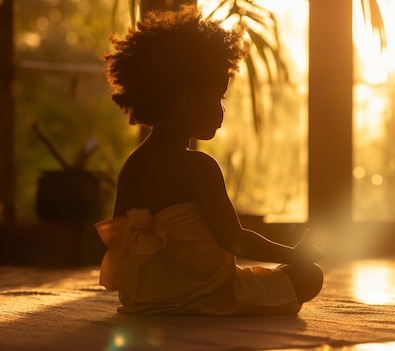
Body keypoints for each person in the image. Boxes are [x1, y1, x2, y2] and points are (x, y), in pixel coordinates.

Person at [95, 5, 324, 316]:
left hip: (147, 299)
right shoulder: (199, 168)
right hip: (209, 293)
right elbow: (235, 241)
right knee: (309, 276)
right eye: (219, 97)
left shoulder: (131, 169)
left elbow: (119, 241)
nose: (222, 110)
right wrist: (296, 255)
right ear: (187, 100)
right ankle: (212, 304)